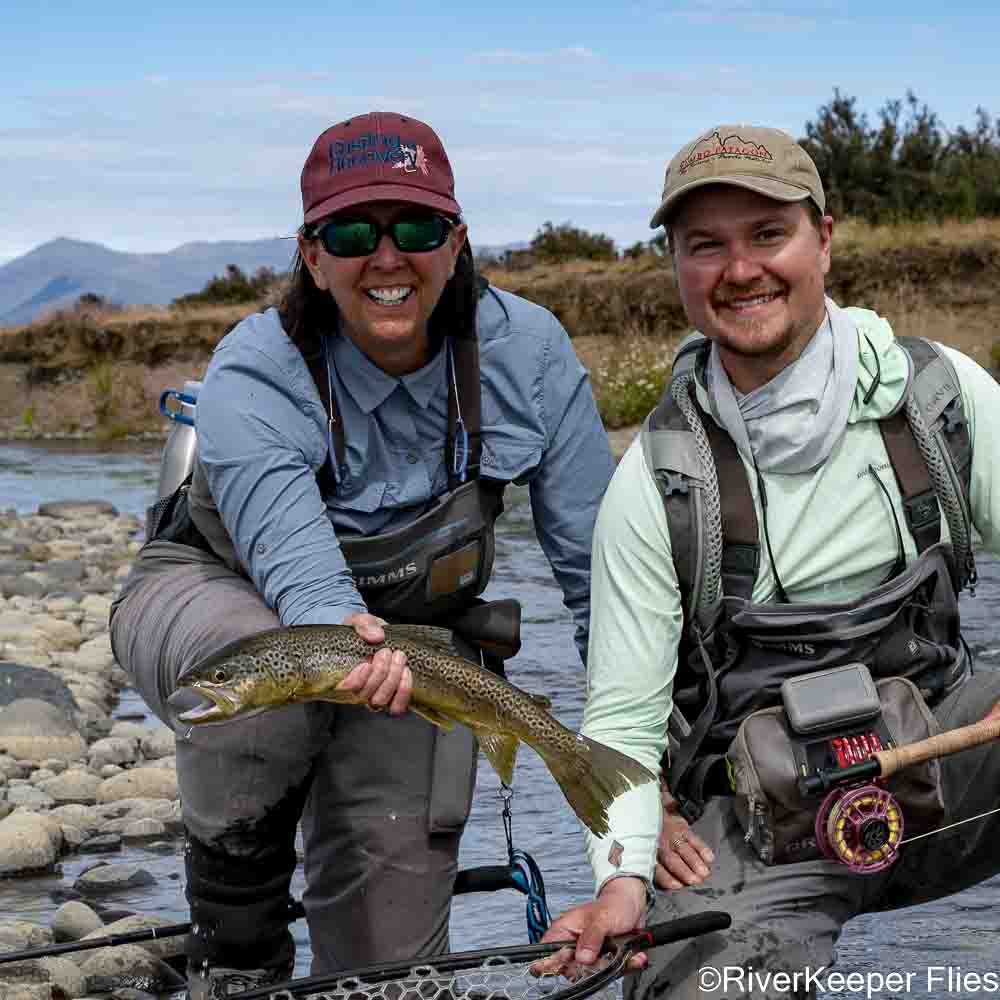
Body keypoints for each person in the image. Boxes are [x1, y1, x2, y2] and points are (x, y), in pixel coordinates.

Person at [110, 111, 615, 998]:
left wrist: (641, 748)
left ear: (456, 242)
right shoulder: (256, 367)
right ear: (312, 256)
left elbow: (601, 578)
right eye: (351, 234)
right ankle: (239, 951)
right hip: (214, 593)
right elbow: (309, 594)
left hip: (403, 646)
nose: (387, 258)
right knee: (261, 688)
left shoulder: (529, 353)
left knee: (391, 976)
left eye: (415, 229)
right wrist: (353, 644)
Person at [537, 124, 1000, 998]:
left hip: (949, 763)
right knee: (679, 986)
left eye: (767, 234)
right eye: (706, 245)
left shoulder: (939, 400)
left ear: (823, 240)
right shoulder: (656, 485)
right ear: (676, 266)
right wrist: (622, 879)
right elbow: (624, 723)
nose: (740, 269)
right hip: (759, 822)